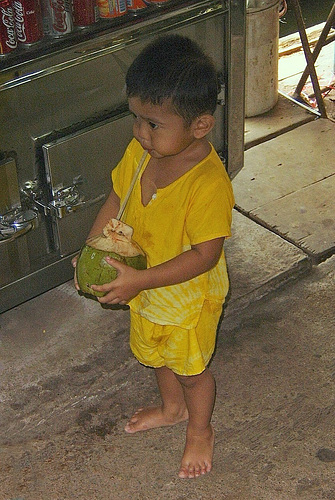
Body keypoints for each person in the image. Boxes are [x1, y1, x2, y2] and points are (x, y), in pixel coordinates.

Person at [73, 34, 234, 479]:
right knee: (155, 355)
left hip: (188, 297)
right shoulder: (140, 154)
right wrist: (92, 250)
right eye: (136, 119)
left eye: (154, 125)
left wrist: (139, 281)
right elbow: (117, 197)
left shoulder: (208, 184)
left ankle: (200, 428)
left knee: (191, 370)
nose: (140, 134)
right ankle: (171, 409)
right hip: (143, 285)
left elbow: (205, 255)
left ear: (199, 126)